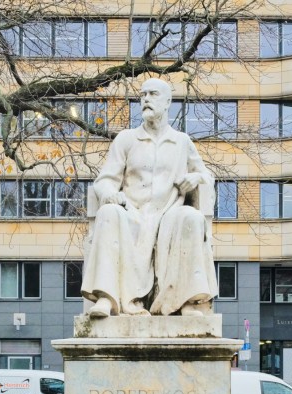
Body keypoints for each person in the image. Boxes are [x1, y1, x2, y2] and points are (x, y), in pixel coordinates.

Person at [81, 78, 218, 317]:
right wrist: (110, 194)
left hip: (168, 215)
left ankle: (186, 302)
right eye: (142, 95)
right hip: (131, 214)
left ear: (167, 102)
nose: (145, 99)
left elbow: (207, 176)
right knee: (108, 212)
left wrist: (196, 178)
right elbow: (104, 180)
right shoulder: (126, 139)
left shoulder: (182, 142)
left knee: (192, 219)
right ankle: (106, 298)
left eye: (152, 94)